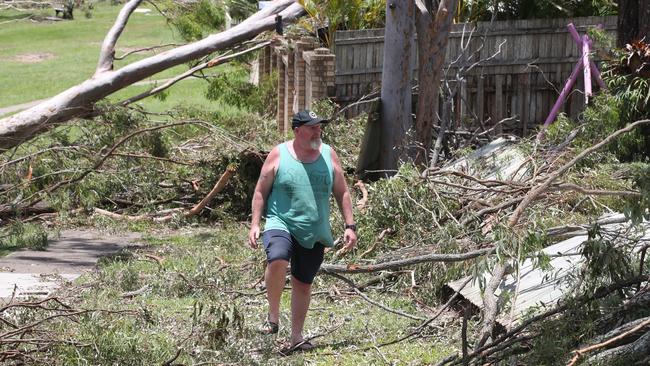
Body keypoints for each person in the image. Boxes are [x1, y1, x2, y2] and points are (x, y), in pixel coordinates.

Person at [248, 109, 357, 350]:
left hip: (314, 229)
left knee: (303, 283)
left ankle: (296, 337)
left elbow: (342, 191)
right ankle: (273, 316)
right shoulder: (279, 154)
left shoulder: (329, 155)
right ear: (297, 131)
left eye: (319, 127)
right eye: (312, 127)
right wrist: (256, 223)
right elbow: (260, 190)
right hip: (280, 221)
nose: (318, 131)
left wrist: (350, 225)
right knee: (277, 257)